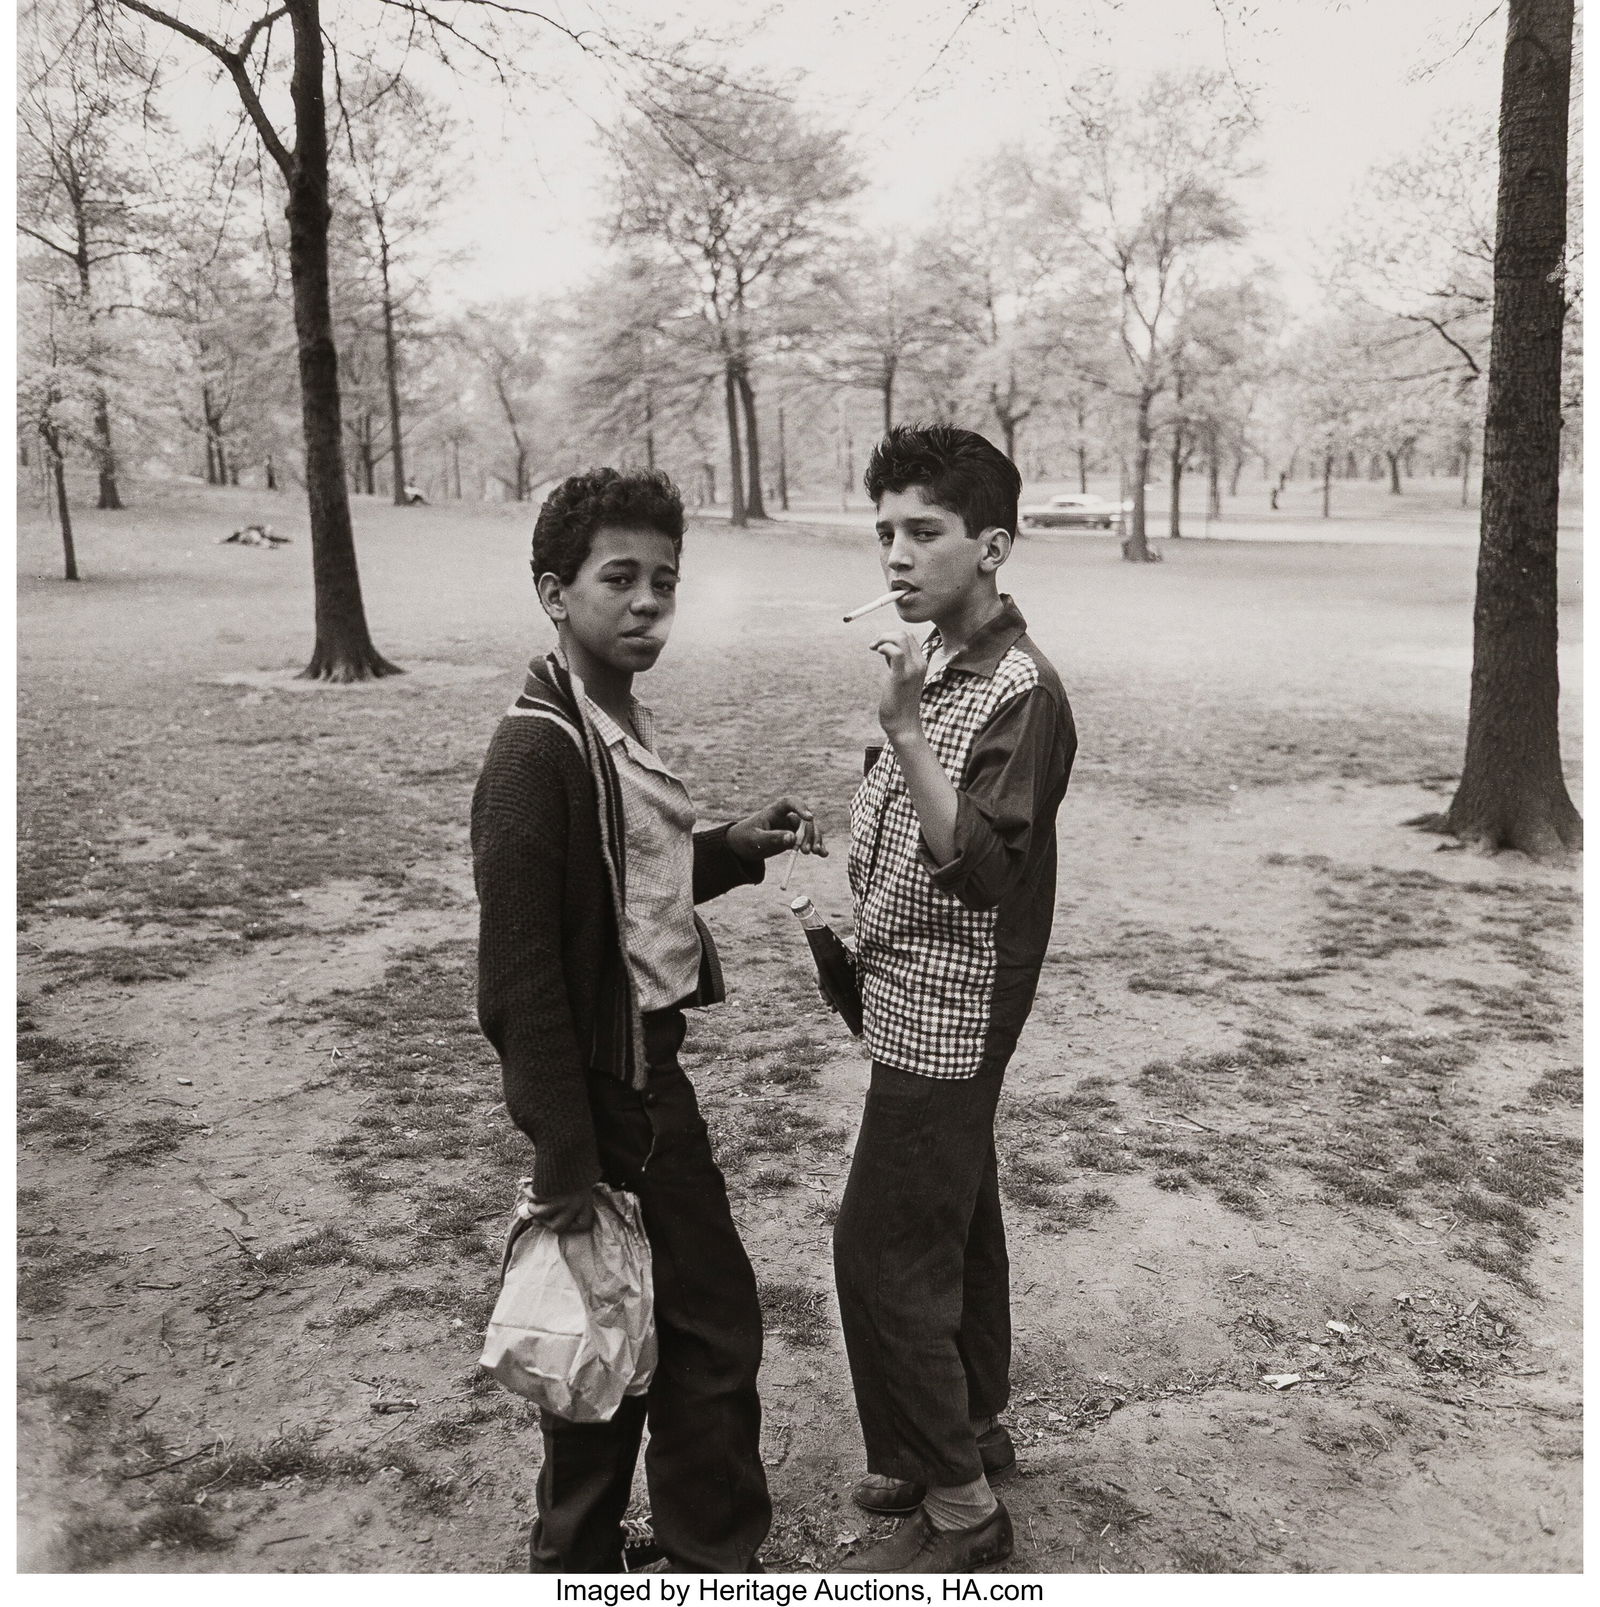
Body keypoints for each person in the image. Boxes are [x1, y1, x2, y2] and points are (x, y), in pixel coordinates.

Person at [471, 467, 825, 1573]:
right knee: (698, 1325)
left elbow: (631, 894)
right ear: (552, 589)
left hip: (639, 1077)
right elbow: (521, 981)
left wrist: (730, 846)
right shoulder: (536, 751)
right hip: (612, 1095)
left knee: (617, 1325)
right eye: (617, 578)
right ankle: (705, 1555)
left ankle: (583, 1556)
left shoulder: (608, 719)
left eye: (663, 581)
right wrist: (567, 1153)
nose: (645, 603)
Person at [834, 424, 1077, 1573]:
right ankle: (968, 1429)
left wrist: (897, 729)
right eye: (884, 530)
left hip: (957, 1002)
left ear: (991, 545)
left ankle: (963, 1504)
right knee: (956, 1227)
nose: (894, 553)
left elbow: (982, 864)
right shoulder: (938, 659)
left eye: (920, 531)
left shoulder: (1022, 688)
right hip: (907, 986)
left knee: (881, 1247)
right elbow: (901, 814)